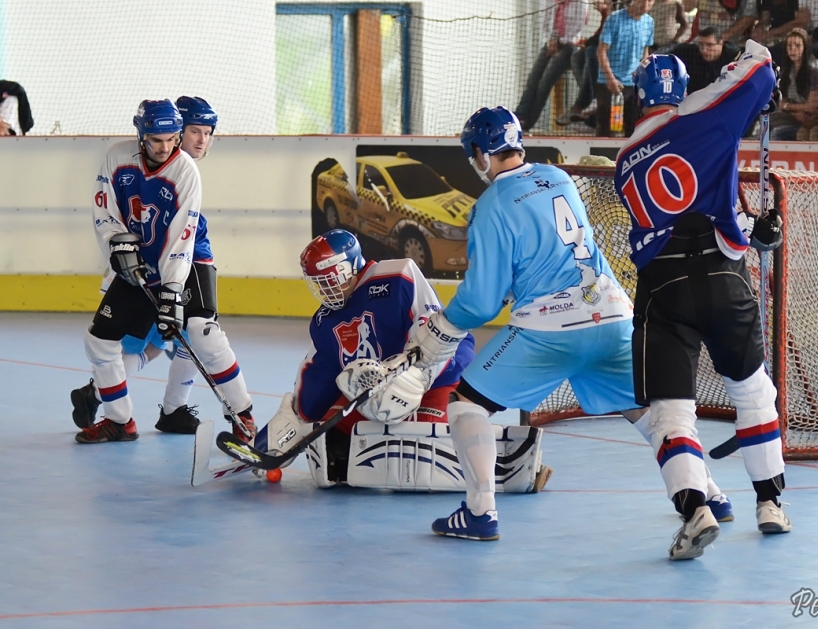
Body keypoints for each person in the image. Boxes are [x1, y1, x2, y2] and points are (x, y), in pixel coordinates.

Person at [398, 106, 732, 544]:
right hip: (612, 314)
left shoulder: (490, 207)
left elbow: (480, 302)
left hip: (550, 331)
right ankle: (708, 497)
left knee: (466, 404)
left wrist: (443, 325)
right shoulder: (558, 178)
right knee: (646, 411)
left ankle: (479, 512)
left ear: (479, 154)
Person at [613, 44, 791, 560]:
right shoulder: (702, 114)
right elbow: (758, 63)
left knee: (671, 414)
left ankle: (696, 511)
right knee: (753, 393)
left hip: (663, 287)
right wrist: (761, 95)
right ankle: (770, 504)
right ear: (685, 88)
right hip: (722, 278)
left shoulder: (625, 158)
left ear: (640, 95)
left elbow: (681, 203)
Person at [252, 230, 554, 494]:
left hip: (437, 379)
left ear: (351, 266)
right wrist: (293, 423)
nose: (325, 290)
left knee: (420, 452)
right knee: (331, 439)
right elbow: (319, 375)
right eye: (318, 283)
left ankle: (507, 462)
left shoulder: (397, 275)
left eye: (330, 280)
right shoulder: (324, 321)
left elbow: (433, 332)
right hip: (377, 397)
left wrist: (414, 378)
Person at [75, 99, 256, 444]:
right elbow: (104, 209)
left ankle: (243, 417)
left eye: (172, 139)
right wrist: (117, 244)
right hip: (139, 262)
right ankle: (120, 421)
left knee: (202, 334)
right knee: (99, 341)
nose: (165, 147)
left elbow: (181, 237)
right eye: (157, 140)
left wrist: (171, 290)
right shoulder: (117, 157)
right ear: (141, 136)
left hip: (184, 262)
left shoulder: (185, 170)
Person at [514, 0, 589, 132]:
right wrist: (552, 41)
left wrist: (559, 43)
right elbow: (546, 23)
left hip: (570, 45)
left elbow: (576, 28)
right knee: (533, 78)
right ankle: (519, 116)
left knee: (544, 83)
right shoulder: (551, 1)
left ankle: (527, 124)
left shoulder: (581, 2)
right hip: (552, 42)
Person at [596, 0, 656, 137]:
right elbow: (601, 51)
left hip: (633, 85)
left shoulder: (649, 22)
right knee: (608, 132)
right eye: (642, 0)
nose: (645, 5)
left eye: (650, 1)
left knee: (634, 131)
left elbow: (645, 53)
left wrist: (645, 79)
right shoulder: (614, 19)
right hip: (610, 84)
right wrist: (610, 79)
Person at [771, 28, 818, 139]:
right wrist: (790, 109)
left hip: (811, 119)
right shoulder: (787, 69)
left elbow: (811, 106)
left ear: (805, 48)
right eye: (789, 46)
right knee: (764, 119)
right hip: (792, 115)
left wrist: (788, 106)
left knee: (775, 132)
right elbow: (782, 100)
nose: (793, 49)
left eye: (797, 46)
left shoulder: (816, 70)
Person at [671, 27, 740, 93]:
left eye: (709, 45)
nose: (704, 50)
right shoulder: (689, 52)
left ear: (720, 43)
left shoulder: (734, 57)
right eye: (701, 44)